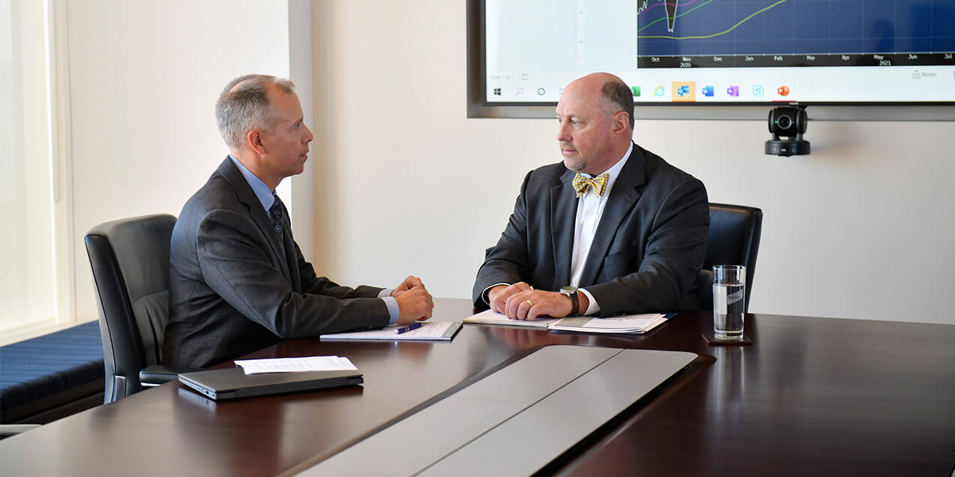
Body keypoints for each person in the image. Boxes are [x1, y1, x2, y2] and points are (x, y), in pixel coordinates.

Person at [164, 74, 433, 369]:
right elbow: (285, 314)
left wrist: (387, 297)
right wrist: (392, 310)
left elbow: (305, 287)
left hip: (263, 363)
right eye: (296, 126)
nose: (309, 135)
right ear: (258, 141)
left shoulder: (261, 199)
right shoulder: (218, 219)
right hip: (216, 381)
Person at [472, 72, 708, 320]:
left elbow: (663, 282)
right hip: (542, 340)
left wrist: (572, 302)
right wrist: (500, 292)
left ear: (619, 124)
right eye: (559, 120)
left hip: (632, 348)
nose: (561, 135)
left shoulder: (677, 192)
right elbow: (502, 259)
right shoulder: (539, 184)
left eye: (575, 122)